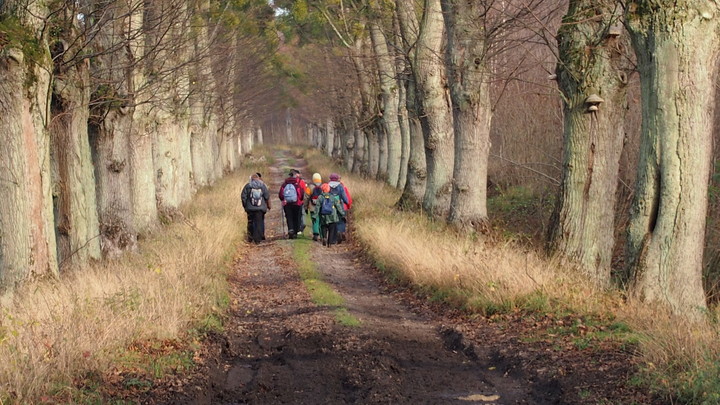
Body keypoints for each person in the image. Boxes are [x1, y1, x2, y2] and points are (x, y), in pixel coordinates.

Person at [241, 173, 271, 243]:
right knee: (259, 222)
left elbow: (243, 197)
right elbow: (267, 196)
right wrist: (268, 206)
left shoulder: (248, 186)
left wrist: (245, 206)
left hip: (250, 208)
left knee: (250, 222)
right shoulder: (262, 186)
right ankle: (258, 238)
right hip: (260, 208)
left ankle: (250, 237)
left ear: (251, 179)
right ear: (258, 178)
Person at [279, 170, 304, 239]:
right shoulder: (297, 184)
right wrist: (300, 200)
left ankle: (290, 229)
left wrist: (283, 200)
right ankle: (295, 232)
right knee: (296, 217)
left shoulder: (284, 184)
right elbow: (301, 194)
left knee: (289, 217)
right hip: (296, 203)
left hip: (287, 204)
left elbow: (281, 195)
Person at [328, 173, 352, 242]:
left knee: (332, 222)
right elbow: (345, 198)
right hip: (339, 206)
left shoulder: (328, 185)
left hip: (330, 207)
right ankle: (340, 231)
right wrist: (347, 203)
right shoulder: (340, 186)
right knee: (341, 220)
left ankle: (333, 238)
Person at [304, 173, 322, 241]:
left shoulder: (310, 187)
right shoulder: (323, 186)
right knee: (321, 220)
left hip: (312, 207)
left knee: (315, 220)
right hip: (321, 207)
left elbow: (306, 198)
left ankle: (315, 234)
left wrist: (305, 207)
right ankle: (322, 234)